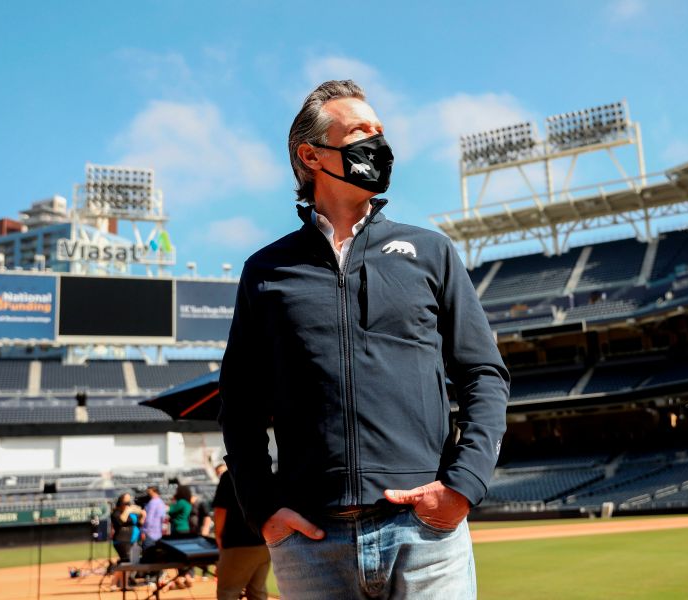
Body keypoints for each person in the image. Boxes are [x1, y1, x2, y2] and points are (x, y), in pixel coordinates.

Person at [219, 80, 509, 599]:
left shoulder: (431, 251)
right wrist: (263, 509)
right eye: (360, 131)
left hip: (426, 537)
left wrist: (463, 486)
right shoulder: (265, 271)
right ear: (311, 155)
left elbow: (484, 373)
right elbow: (238, 404)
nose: (378, 144)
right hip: (310, 545)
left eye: (380, 132)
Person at [213, 462, 270, 600]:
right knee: (257, 592)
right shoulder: (266, 473)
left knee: (228, 592)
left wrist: (218, 535)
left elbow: (220, 510)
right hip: (265, 543)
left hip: (238, 543)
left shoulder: (230, 475)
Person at [109, 493, 145, 591]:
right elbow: (121, 521)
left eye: (130, 501)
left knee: (128, 563)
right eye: (126, 502)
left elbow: (139, 524)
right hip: (122, 541)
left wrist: (142, 516)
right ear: (121, 502)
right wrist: (128, 510)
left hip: (133, 540)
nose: (129, 504)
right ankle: (117, 584)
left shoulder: (132, 514)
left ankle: (121, 585)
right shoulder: (116, 513)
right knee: (126, 562)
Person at [166, 484, 194, 590]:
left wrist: (172, 503)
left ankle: (181, 577)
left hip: (178, 529)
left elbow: (170, 511)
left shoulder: (181, 502)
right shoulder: (187, 503)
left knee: (177, 553)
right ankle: (187, 576)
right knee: (185, 553)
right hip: (185, 528)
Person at [140, 486, 166, 585]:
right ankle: (158, 574)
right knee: (156, 555)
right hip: (158, 533)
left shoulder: (152, 503)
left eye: (149, 491)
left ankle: (151, 577)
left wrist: (144, 531)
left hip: (150, 533)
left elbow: (149, 519)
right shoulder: (161, 502)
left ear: (154, 491)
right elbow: (163, 518)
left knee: (148, 555)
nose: (147, 493)